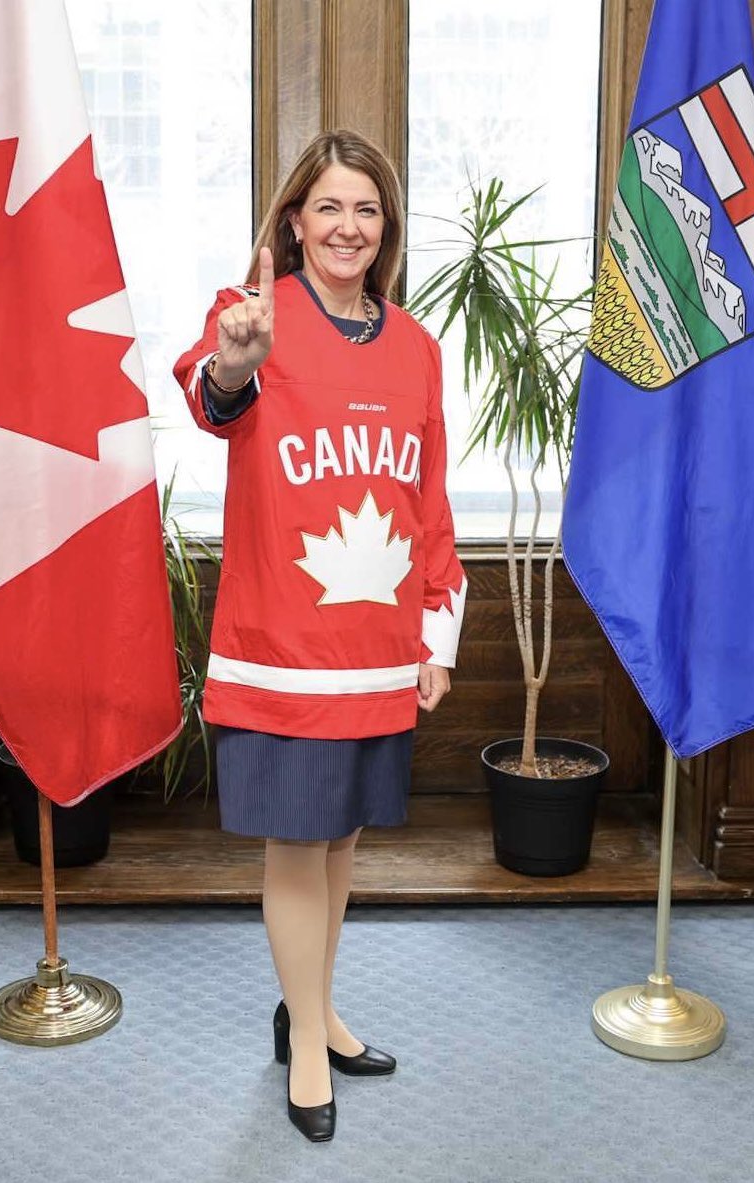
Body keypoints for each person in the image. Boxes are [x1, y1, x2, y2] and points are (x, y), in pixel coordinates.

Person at [173, 129, 467, 1143]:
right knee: (296, 844)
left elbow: (428, 497)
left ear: (386, 230)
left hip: (380, 648)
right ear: (294, 221)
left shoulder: (418, 346)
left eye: (367, 210)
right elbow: (213, 397)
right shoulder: (250, 317)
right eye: (329, 207)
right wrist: (233, 361)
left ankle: (317, 1006)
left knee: (340, 840)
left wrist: (440, 632)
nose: (348, 226)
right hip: (280, 648)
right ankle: (304, 1043)